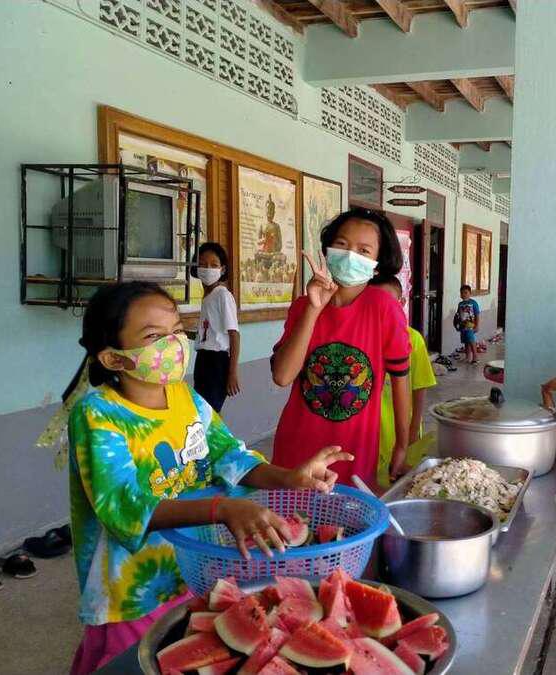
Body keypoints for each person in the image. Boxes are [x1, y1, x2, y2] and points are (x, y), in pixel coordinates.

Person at [60, 281, 349, 674]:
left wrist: (288, 478)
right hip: (130, 590)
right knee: (125, 665)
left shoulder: (187, 398)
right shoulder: (98, 415)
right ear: (113, 358)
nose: (175, 345)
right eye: (154, 337)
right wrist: (221, 509)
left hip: (192, 570)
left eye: (178, 330)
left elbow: (230, 456)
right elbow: (123, 504)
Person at [271, 208, 411, 487]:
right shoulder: (302, 306)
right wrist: (313, 309)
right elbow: (282, 376)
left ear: (377, 263)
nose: (350, 255)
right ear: (328, 249)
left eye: (363, 250)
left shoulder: (384, 308)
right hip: (297, 449)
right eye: (342, 244)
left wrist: (402, 445)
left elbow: (400, 381)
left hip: (353, 454)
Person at [370, 275, 438, 489]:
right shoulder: (363, 339)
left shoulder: (413, 339)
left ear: (401, 303)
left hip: (401, 430)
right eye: (376, 303)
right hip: (370, 432)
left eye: (389, 303)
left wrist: (413, 429)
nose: (383, 310)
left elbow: (419, 388)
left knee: (400, 484)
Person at [192, 242, 239, 413]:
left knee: (210, 412)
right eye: (202, 264)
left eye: (214, 265)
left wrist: (232, 373)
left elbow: (234, 335)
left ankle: (218, 432)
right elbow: (208, 333)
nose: (207, 269)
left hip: (216, 362)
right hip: (203, 359)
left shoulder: (222, 295)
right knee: (203, 409)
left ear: (223, 269)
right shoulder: (208, 296)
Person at [455, 285, 480, 364]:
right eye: (462, 293)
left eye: (466, 293)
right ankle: (467, 357)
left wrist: (477, 325)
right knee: (466, 341)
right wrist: (457, 325)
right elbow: (458, 315)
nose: (464, 295)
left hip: (470, 326)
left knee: (471, 341)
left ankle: (475, 357)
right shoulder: (460, 304)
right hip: (463, 326)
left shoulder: (473, 303)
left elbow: (477, 314)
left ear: (470, 293)